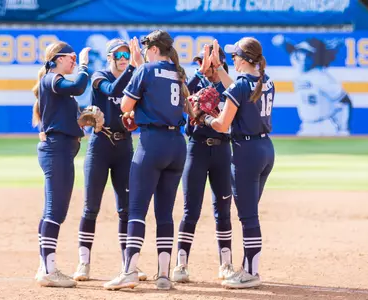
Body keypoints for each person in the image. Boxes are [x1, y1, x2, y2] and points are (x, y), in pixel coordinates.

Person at [103, 30, 191, 290]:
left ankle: (129, 271)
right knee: (165, 213)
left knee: (137, 209)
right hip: (178, 144)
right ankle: (164, 275)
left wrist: (137, 69)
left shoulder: (145, 71)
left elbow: (125, 106)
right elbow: (182, 105)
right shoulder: (178, 72)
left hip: (152, 144)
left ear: (152, 49)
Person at [197, 38, 275, 289]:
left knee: (248, 216)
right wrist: (219, 69)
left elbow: (222, 124)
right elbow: (240, 91)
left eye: (234, 57)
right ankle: (247, 267)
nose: (233, 60)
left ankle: (251, 272)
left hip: (246, 152)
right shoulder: (265, 80)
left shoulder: (242, 85)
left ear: (243, 60)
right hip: (265, 149)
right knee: (250, 212)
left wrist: (203, 117)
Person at [72, 38, 147, 282]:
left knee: (126, 208)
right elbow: (113, 90)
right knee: (90, 207)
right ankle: (84, 263)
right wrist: (135, 69)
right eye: (119, 55)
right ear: (109, 57)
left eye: (127, 54)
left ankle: (128, 265)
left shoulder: (134, 77)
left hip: (124, 145)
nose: (124, 58)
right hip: (100, 145)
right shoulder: (98, 76)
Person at [172, 44, 235, 283]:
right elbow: (181, 96)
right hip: (196, 149)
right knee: (191, 211)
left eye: (207, 62)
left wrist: (216, 72)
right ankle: (181, 264)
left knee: (223, 211)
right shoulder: (196, 83)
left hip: (221, 151)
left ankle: (226, 264)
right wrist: (201, 73)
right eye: (200, 62)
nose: (203, 66)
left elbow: (236, 97)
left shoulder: (230, 87)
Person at [32, 41, 91, 288]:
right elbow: (78, 86)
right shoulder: (52, 80)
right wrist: (86, 66)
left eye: (77, 58)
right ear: (57, 58)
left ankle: (45, 264)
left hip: (60, 150)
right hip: (57, 151)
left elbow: (74, 111)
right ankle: (49, 269)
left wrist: (84, 118)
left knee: (52, 210)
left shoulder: (56, 85)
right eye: (72, 57)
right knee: (56, 211)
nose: (74, 61)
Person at [272, 34, 351, 136]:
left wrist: (344, 128)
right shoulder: (299, 68)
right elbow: (288, 48)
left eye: (307, 54)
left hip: (324, 126)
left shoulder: (321, 76)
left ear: (314, 57)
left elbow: (345, 101)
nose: (302, 57)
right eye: (301, 53)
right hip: (306, 125)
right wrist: (284, 43)